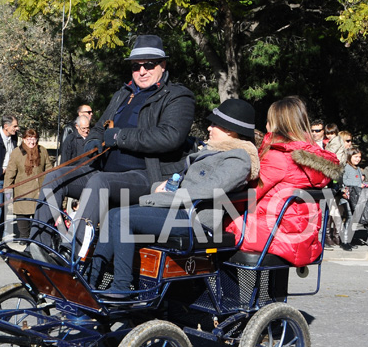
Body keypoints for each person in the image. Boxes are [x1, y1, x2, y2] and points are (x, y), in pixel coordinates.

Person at [33, 34, 196, 245]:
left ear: (162, 65)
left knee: (100, 182)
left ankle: (76, 251)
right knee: (55, 176)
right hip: (104, 171)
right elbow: (100, 128)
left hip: (146, 175)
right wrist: (92, 141)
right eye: (136, 67)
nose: (142, 71)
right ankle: (39, 244)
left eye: (149, 65)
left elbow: (170, 136)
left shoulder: (177, 96)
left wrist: (119, 136)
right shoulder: (123, 94)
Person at [92, 99, 260, 293]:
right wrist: (160, 188)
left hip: (195, 220)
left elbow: (207, 190)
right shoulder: (212, 152)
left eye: (215, 124)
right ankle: (92, 280)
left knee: (123, 217)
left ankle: (120, 289)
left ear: (230, 130)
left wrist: (157, 199)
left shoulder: (238, 159)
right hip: (178, 211)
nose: (209, 128)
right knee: (114, 214)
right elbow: (187, 184)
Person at [226, 96, 342, 265]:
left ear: (275, 123)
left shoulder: (278, 157)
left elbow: (249, 192)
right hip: (300, 239)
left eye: (268, 120)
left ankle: (228, 292)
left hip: (270, 236)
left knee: (209, 232)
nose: (266, 125)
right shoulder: (313, 157)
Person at [4, 129, 51, 243]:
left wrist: (50, 184)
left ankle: (35, 238)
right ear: (24, 139)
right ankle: (24, 237)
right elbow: (10, 172)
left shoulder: (42, 151)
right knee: (22, 216)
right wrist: (8, 190)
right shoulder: (16, 152)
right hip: (22, 190)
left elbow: (49, 168)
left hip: (39, 189)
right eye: (29, 139)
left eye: (34, 139)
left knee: (38, 216)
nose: (31, 142)